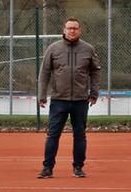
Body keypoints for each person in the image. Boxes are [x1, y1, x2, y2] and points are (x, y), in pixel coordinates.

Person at [37, 18, 101, 178]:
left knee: (80, 135)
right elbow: (44, 73)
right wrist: (42, 95)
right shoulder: (53, 48)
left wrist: (94, 93)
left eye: (75, 28)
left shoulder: (88, 49)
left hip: (80, 100)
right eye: (69, 28)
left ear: (79, 30)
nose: (72, 31)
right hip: (59, 100)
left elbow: (95, 71)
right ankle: (47, 168)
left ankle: (78, 167)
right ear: (64, 30)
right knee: (53, 134)